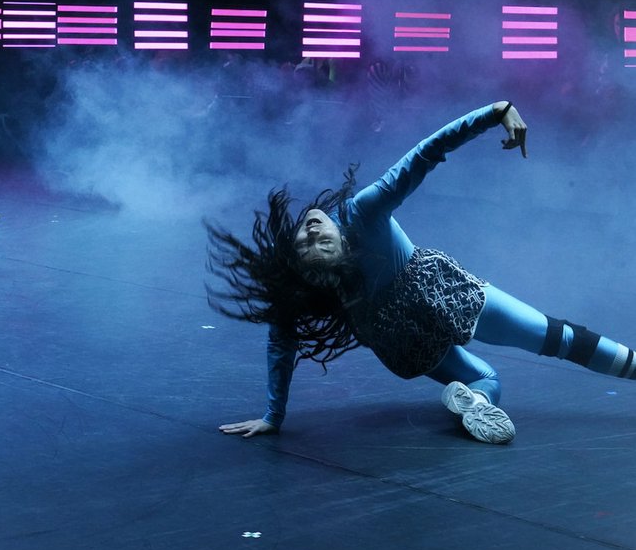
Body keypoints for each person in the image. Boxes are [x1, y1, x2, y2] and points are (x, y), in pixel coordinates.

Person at [206, 100, 636, 444]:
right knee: (555, 337)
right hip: (438, 292)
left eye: (307, 237)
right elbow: (425, 155)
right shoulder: (361, 214)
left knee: (485, 378)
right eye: (317, 244)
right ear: (341, 250)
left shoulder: (306, 274)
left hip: (393, 338)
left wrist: (274, 415)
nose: (312, 232)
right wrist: (495, 112)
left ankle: (474, 402)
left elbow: (281, 341)